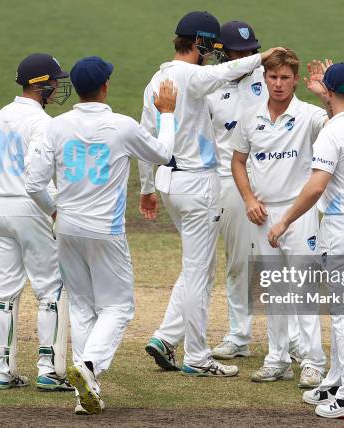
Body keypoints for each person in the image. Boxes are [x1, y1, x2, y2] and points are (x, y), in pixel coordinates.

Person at [25, 56, 177, 414]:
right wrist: (167, 112)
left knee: (81, 306)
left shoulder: (55, 126)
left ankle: (85, 396)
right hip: (105, 231)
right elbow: (164, 153)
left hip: (66, 227)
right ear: (105, 87)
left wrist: (54, 208)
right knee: (119, 307)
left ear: (76, 89)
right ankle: (90, 366)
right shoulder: (121, 127)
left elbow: (33, 183)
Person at [138, 10, 284, 377]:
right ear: (201, 42)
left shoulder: (156, 80)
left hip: (167, 182)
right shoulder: (195, 75)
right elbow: (221, 73)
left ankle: (166, 337)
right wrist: (263, 57)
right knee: (200, 272)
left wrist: (145, 188)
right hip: (199, 184)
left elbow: (145, 135)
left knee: (196, 269)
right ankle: (197, 356)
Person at [268, 62, 344, 419]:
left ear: (330, 93)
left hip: (341, 228)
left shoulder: (331, 132)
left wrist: (284, 220)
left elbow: (316, 186)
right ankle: (335, 380)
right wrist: (329, 94)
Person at [0, 53, 73, 391]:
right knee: (51, 288)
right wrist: (54, 211)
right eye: (54, 82)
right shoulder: (42, 122)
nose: (58, 88)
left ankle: (0, 370)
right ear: (41, 85)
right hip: (31, 209)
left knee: (4, 292)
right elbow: (36, 177)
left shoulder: (0, 116)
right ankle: (49, 370)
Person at [231, 50, 331, 386]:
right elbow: (238, 161)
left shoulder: (309, 115)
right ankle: (277, 359)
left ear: (294, 79)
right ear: (264, 78)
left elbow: (340, 122)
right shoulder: (250, 117)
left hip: (298, 212)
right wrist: (248, 199)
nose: (277, 84)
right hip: (262, 213)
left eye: (284, 78)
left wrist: (327, 95)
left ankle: (313, 361)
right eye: (272, 77)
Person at [205, 20, 267, 360]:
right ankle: (239, 336)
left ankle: (294, 342)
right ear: (223, 53)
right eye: (237, 51)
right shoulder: (210, 88)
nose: (244, 56)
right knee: (239, 261)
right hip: (229, 180)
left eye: (249, 51)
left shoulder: (270, 79)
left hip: (273, 176)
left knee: (283, 259)